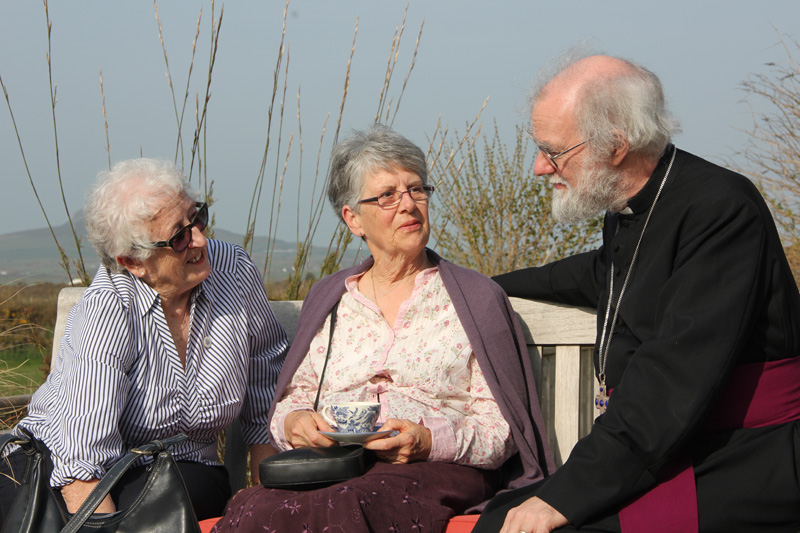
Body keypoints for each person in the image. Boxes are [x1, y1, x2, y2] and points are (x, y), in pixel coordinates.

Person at [474, 51, 800, 533]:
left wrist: (562, 498)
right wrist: (468, 285)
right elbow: (596, 274)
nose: (541, 167)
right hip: (666, 443)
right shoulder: (631, 210)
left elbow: (670, 381)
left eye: (554, 150)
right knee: (496, 519)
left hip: (744, 455)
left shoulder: (720, 210)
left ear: (616, 145)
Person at [213, 124, 555, 533]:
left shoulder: (474, 299)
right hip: (336, 468)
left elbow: (502, 431)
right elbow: (295, 397)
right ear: (353, 219)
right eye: (388, 196)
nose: (408, 205)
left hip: (435, 469)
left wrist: (427, 441)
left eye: (416, 189)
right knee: (254, 508)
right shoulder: (333, 298)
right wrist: (295, 423)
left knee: (352, 504)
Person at [0, 158, 288, 524]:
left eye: (196, 218)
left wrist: (269, 509)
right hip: (62, 470)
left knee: (185, 493)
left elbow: (267, 400)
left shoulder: (234, 271)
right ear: (133, 261)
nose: (200, 239)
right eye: (179, 236)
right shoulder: (109, 307)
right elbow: (80, 462)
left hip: (184, 473)